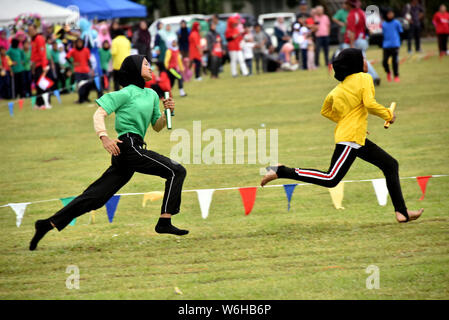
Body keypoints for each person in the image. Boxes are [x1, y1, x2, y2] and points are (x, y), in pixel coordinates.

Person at [29, 55, 188, 251]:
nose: (150, 67)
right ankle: (164, 221)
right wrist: (104, 137)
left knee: (95, 198)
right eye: (146, 64)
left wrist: (168, 113)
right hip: (128, 146)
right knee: (176, 171)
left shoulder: (152, 95)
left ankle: (47, 224)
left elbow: (156, 126)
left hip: (133, 148)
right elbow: (99, 113)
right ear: (135, 68)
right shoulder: (125, 93)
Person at [260, 48, 424, 224]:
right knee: (331, 179)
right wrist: (388, 115)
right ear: (356, 65)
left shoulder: (337, 90)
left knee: (390, 164)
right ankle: (280, 171)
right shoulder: (364, 78)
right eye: (363, 59)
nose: (366, 62)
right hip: (351, 139)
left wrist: (350, 121)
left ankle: (402, 212)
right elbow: (369, 104)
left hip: (355, 137)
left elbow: (326, 111)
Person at [343, 0, 380, 86]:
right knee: (362, 60)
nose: (344, 5)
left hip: (356, 41)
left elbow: (352, 31)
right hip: (362, 39)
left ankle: (373, 77)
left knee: (361, 61)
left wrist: (351, 45)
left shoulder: (352, 15)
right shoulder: (361, 12)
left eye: (345, 3)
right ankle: (370, 77)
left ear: (349, 5)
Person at [28, 24, 52, 109]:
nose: (30, 32)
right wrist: (33, 66)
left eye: (31, 30)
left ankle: (46, 103)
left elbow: (42, 53)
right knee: (38, 85)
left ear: (35, 30)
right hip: (36, 65)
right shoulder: (32, 39)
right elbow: (34, 54)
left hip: (42, 65)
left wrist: (44, 67)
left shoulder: (39, 38)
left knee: (43, 85)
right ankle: (39, 103)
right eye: (29, 30)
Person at [66, 38, 92, 104]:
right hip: (78, 71)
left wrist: (91, 69)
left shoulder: (86, 50)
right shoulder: (73, 51)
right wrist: (72, 63)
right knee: (80, 86)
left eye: (81, 42)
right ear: (76, 43)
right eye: (78, 42)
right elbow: (67, 57)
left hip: (86, 70)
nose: (79, 44)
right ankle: (81, 99)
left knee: (88, 85)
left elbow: (89, 60)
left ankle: (86, 98)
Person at [382, 9, 403, 83]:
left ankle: (396, 76)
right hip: (386, 45)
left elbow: (401, 32)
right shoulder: (383, 24)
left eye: (392, 13)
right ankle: (388, 72)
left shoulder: (396, 23)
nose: (391, 15)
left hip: (395, 45)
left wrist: (399, 42)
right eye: (389, 13)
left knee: (395, 62)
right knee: (384, 62)